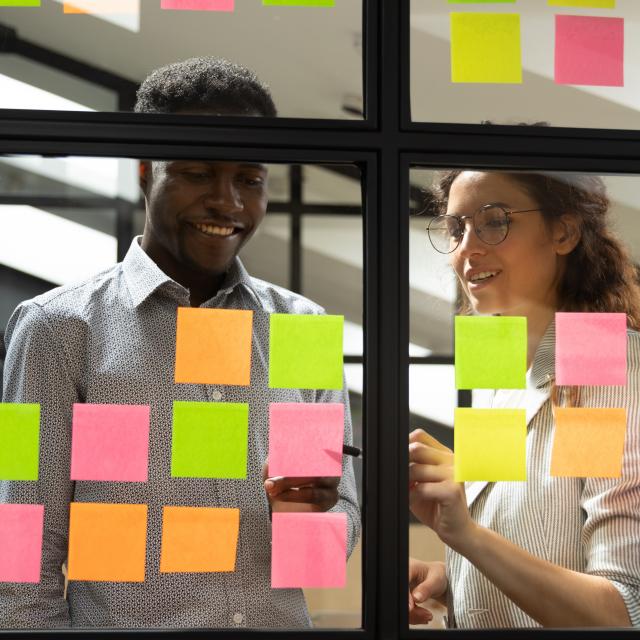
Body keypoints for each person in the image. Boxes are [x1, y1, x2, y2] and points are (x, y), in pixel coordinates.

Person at [0, 57, 360, 629]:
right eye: (197, 173)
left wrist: (307, 517)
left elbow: (324, 546)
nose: (228, 202)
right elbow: (19, 551)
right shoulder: (59, 327)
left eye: (249, 179)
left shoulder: (301, 326)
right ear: (145, 171)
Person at [408, 170, 640, 628]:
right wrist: (452, 577)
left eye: (494, 221)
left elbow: (619, 613)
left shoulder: (599, 363)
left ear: (563, 232)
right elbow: (527, 547)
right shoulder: (497, 363)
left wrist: (468, 539)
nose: (467, 249)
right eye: (457, 228)